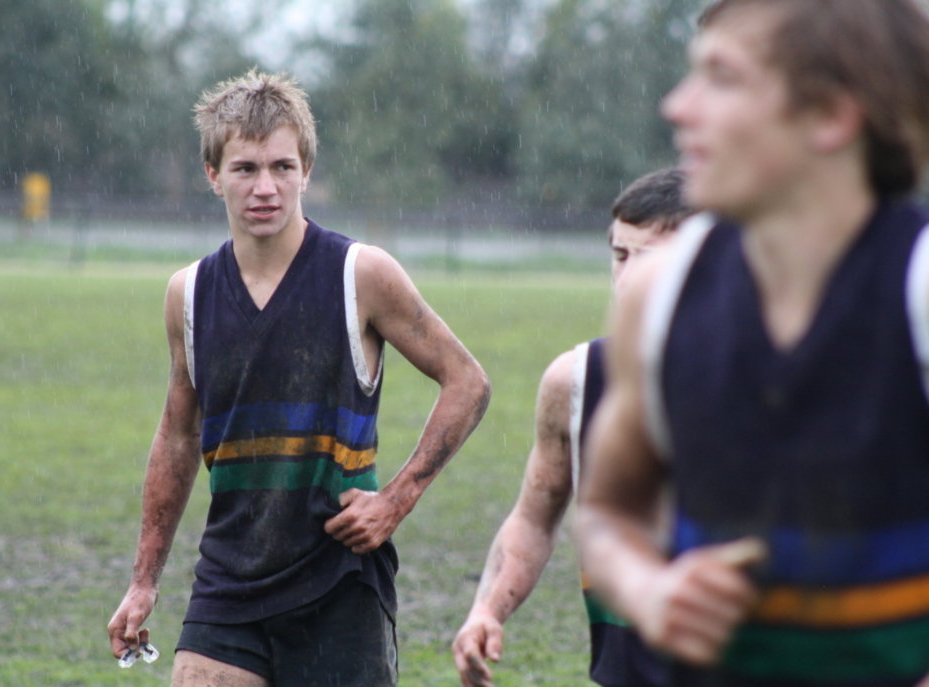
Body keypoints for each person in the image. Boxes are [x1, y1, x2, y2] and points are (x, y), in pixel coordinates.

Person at [576, 1, 929, 685]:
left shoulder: (916, 292)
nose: (678, 107)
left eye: (721, 78)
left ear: (829, 114)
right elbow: (607, 511)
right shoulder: (661, 296)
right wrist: (650, 588)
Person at [106, 69, 492, 687]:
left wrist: (396, 499)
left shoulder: (360, 274)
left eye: (282, 168)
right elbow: (179, 436)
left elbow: (468, 382)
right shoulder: (188, 294)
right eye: (245, 168)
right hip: (228, 584)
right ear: (213, 175)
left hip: (339, 585)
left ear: (306, 170)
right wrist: (144, 581)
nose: (266, 188)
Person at [452, 168, 693, 687]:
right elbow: (534, 520)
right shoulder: (576, 381)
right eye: (619, 255)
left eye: (650, 261)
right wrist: (487, 610)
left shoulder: (779, 380)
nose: (626, 279)